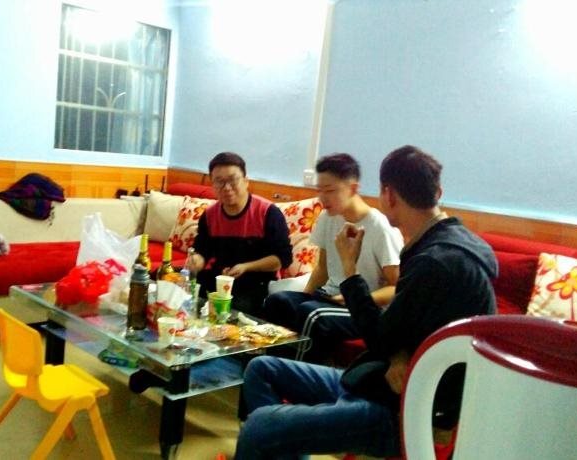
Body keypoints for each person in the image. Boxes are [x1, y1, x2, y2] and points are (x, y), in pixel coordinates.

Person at [234, 145, 498, 459]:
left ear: (388, 195)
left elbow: (379, 337)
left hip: (403, 409)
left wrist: (350, 270)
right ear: (438, 192)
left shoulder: (436, 261)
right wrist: (400, 352)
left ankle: (280, 438)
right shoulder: (451, 245)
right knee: (261, 368)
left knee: (257, 427)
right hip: (378, 379)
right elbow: (402, 334)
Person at [263, 153, 403, 363]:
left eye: (330, 190)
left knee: (313, 315)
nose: (323, 198)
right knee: (278, 301)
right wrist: (303, 297)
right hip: (330, 297)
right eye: (320, 190)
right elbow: (322, 269)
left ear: (353, 189)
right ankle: (270, 366)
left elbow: (396, 288)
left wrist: (355, 298)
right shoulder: (327, 217)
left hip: (365, 308)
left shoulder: (379, 226)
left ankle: (292, 373)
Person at [186, 152, 293, 316]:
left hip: (258, 282)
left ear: (246, 181)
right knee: (176, 286)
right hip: (221, 277)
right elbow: (202, 251)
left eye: (232, 180)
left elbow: (282, 259)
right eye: (219, 181)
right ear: (213, 184)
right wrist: (196, 261)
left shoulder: (268, 212)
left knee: (235, 308)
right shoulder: (209, 215)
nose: (226, 187)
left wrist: (246, 267)